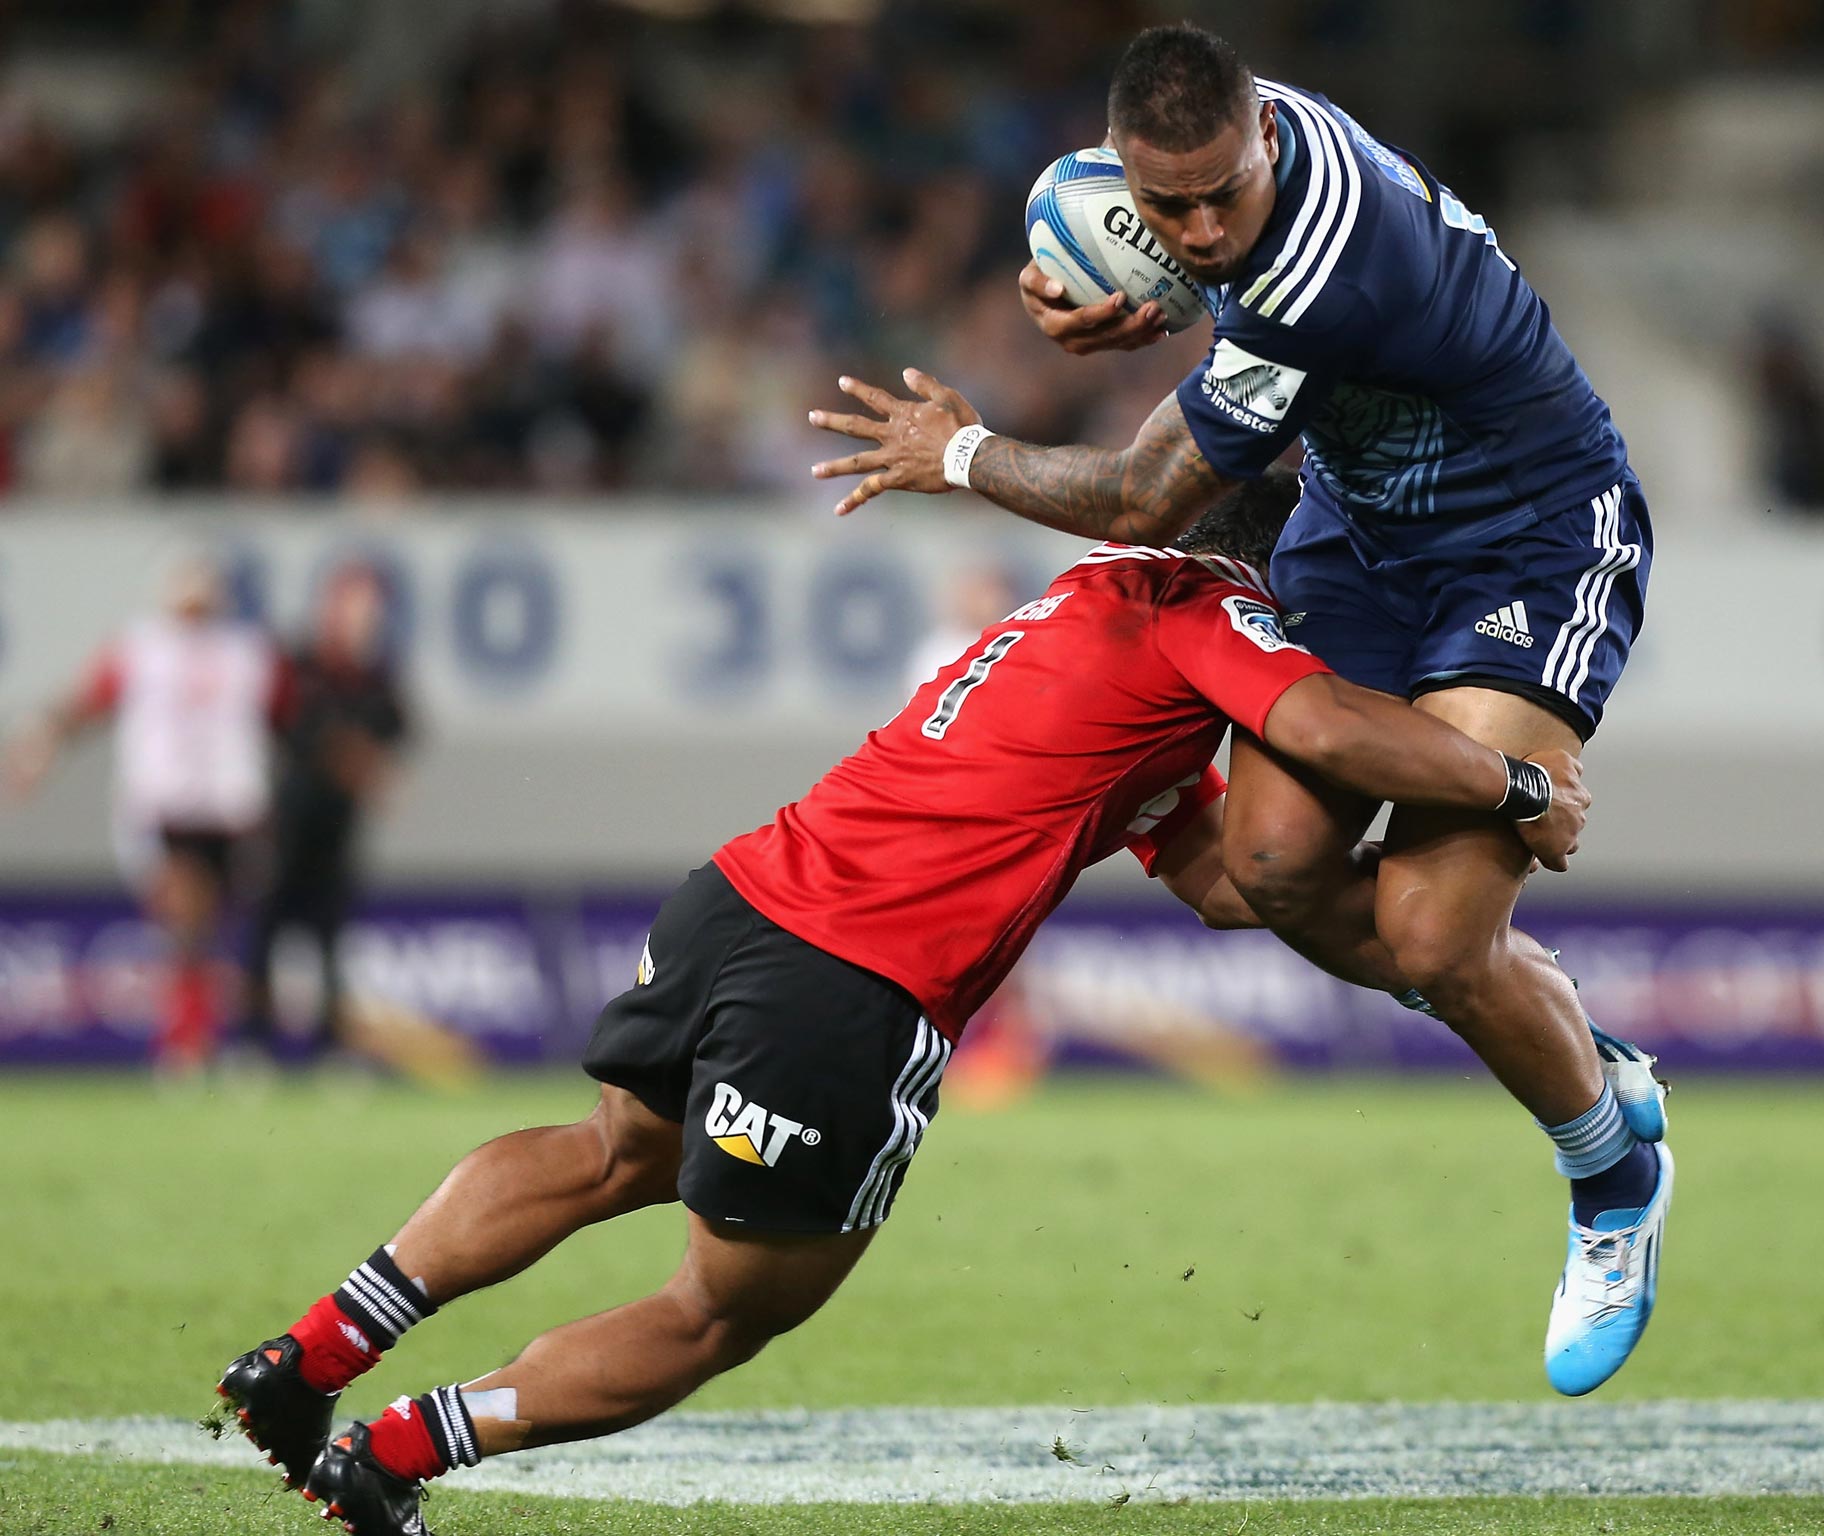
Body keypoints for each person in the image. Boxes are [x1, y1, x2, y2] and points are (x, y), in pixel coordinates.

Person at [215, 478, 1587, 1535]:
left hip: (739, 898)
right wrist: (1520, 791)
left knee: (604, 1153)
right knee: (719, 1311)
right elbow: (1336, 728)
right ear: (1281, 570)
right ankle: (392, 1449)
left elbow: (1229, 884)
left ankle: (312, 1355)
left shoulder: (1087, 608)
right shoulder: (1203, 610)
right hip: (848, 986)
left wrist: (1422, 937)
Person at [806, 23, 1669, 1398]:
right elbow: (1232, 301)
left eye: (1222, 198)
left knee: (1439, 936)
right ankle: (1567, 1041)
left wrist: (960, 451)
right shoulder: (1232, 193)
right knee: (1266, 868)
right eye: (1168, 209)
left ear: (1267, 132)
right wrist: (1156, 301)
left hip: (1527, 537)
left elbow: (1147, 503)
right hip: (1357, 529)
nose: (1202, 227)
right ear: (1129, 172)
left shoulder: (1324, 253)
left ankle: (1611, 1171)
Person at [3, 555, 286, 1072]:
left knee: (213, 925)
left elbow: (286, 722)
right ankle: (185, 1040)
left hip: (228, 809)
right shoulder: (143, 649)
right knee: (185, 914)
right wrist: (38, 745)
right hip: (166, 804)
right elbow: (84, 706)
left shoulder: (246, 652)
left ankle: (211, 1037)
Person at [241, 561, 410, 1062]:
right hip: (290, 817)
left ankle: (331, 1043)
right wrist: (354, 759)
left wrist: (367, 764)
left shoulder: (375, 677)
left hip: (339, 824)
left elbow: (397, 728)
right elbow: (291, 730)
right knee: (268, 924)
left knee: (331, 931)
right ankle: (253, 1040)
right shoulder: (301, 666)